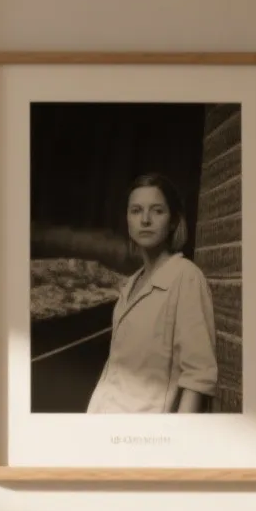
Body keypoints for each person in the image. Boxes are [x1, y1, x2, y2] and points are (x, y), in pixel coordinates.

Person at [85, 172, 219, 414]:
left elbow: (198, 377)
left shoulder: (185, 277)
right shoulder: (131, 283)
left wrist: (177, 442)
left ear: (173, 222)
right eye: (136, 210)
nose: (145, 219)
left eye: (157, 211)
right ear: (128, 220)